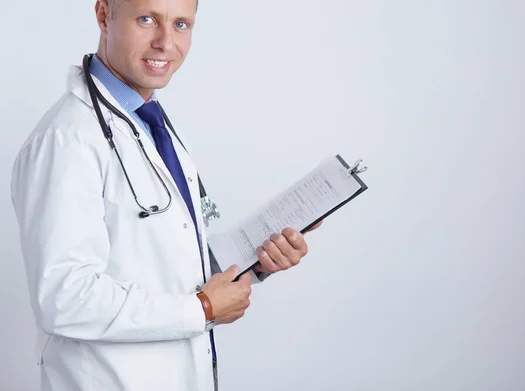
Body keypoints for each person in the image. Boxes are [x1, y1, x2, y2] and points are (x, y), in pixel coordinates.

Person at [10, 0, 322, 390]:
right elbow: (64, 297)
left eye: (181, 25)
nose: (165, 42)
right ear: (104, 14)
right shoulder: (67, 140)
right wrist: (203, 308)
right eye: (147, 20)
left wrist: (256, 261)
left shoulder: (152, 123)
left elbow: (166, 262)